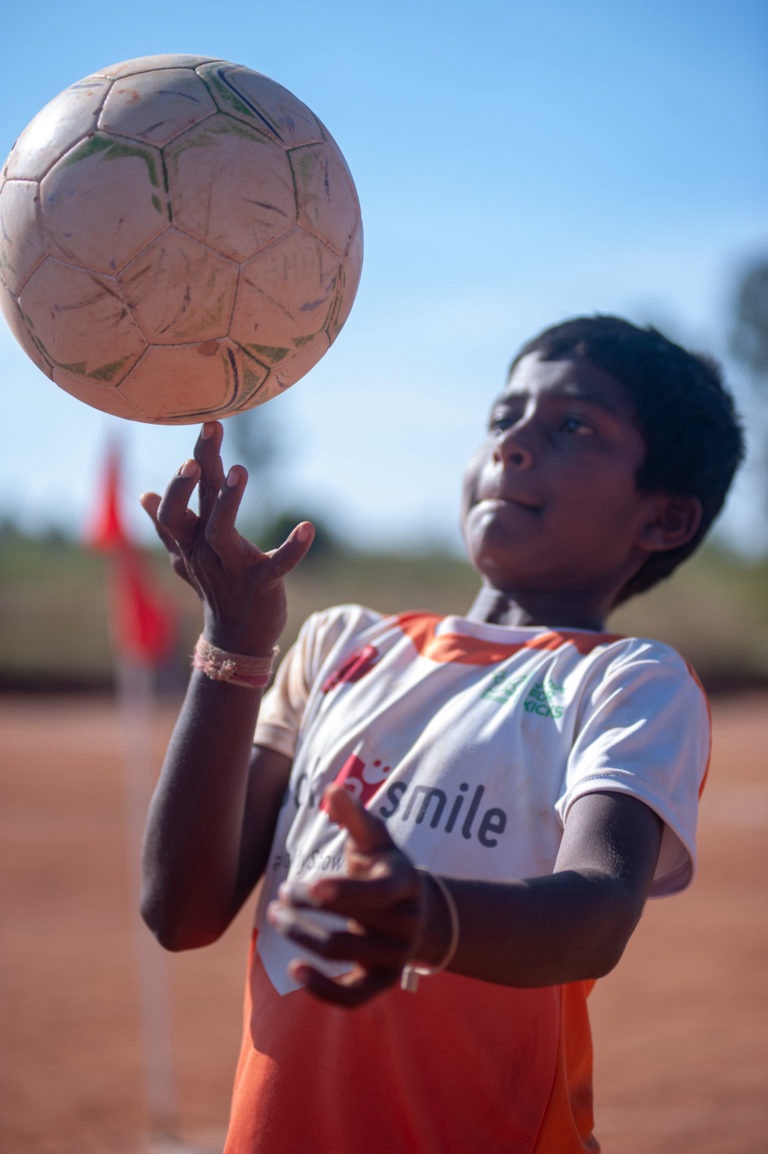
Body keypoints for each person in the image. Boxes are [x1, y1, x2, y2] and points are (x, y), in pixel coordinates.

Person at [139, 314, 744, 1153]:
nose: (514, 444)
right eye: (503, 417)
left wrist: (431, 917)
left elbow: (599, 913)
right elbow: (180, 910)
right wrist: (235, 644)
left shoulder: (629, 681)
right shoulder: (340, 644)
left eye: (573, 425)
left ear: (666, 519)